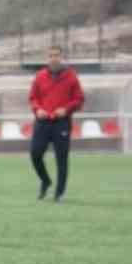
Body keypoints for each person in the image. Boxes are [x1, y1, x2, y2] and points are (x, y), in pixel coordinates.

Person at [28, 44, 83, 202]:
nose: (54, 58)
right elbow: (33, 98)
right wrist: (37, 109)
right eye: (51, 55)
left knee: (62, 158)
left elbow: (79, 99)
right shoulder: (40, 76)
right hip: (43, 122)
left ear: (61, 57)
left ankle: (59, 193)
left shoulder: (71, 76)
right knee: (35, 154)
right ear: (47, 58)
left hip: (61, 123)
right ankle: (45, 181)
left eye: (57, 55)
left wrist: (66, 110)